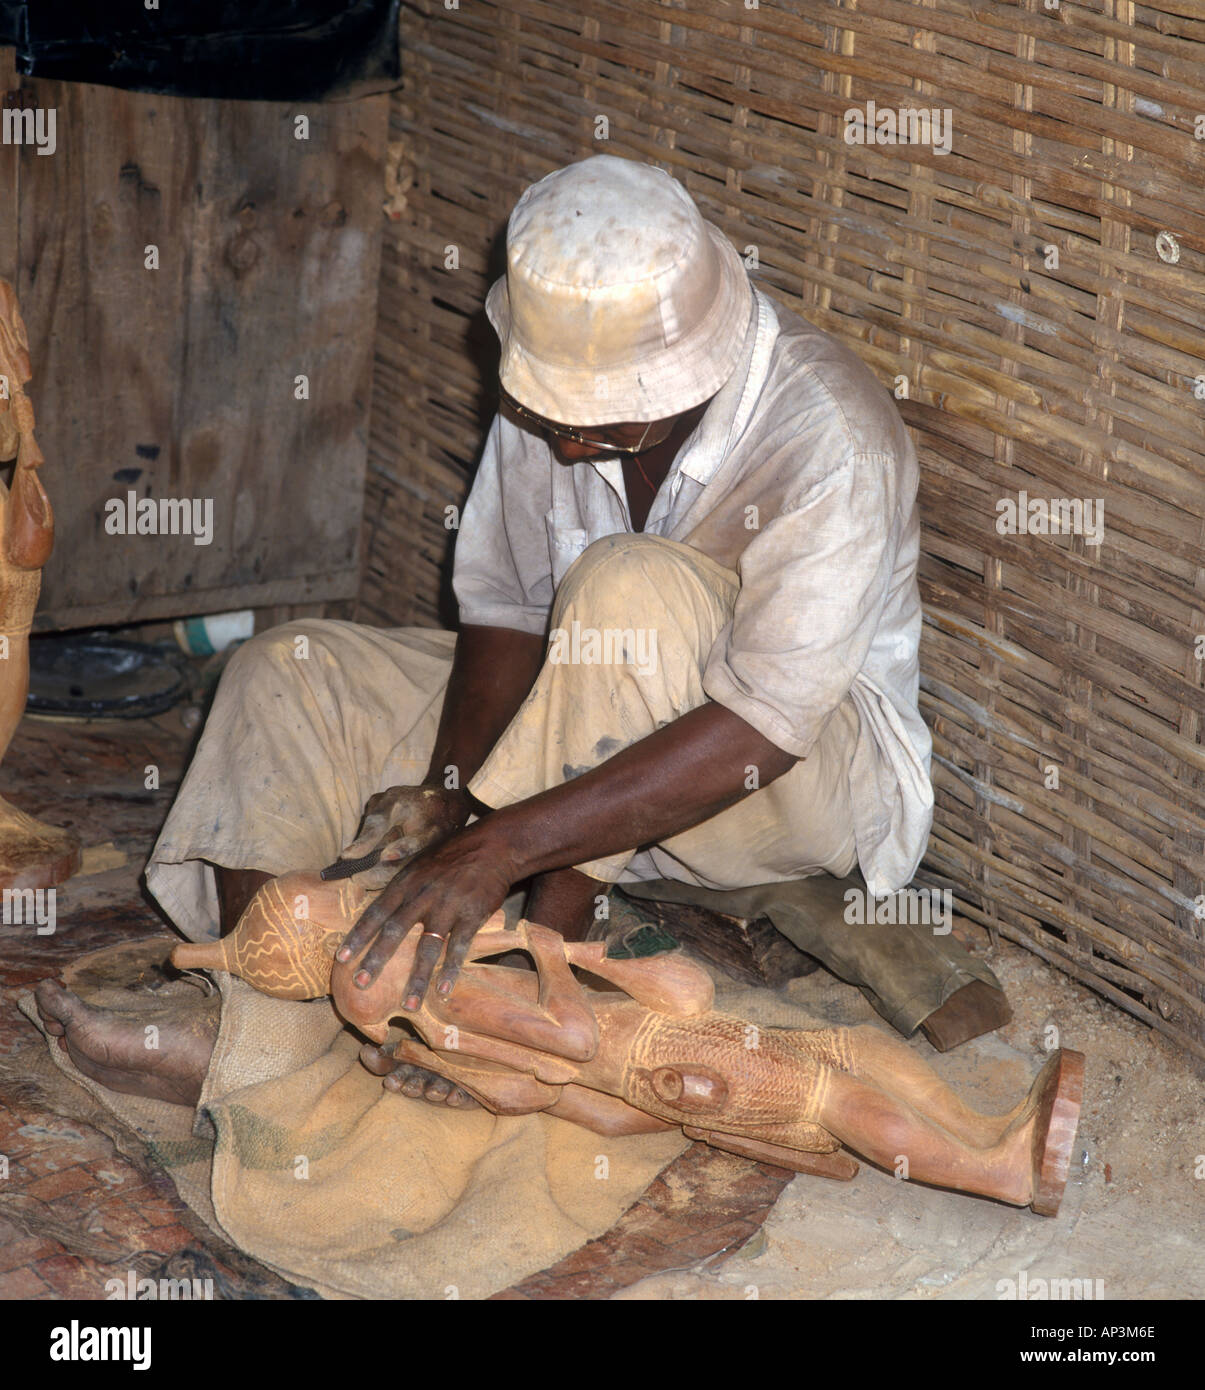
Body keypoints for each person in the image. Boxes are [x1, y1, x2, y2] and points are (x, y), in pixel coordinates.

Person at [36, 154, 940, 1110]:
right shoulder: (561, 389)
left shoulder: (828, 436)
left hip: (785, 785)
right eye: (557, 417)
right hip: (581, 732)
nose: (568, 446)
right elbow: (509, 607)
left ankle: (537, 992)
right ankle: (266, 1013)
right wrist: (453, 797)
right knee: (286, 669)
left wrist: (501, 851)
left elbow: (765, 725)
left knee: (623, 585)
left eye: (603, 429)